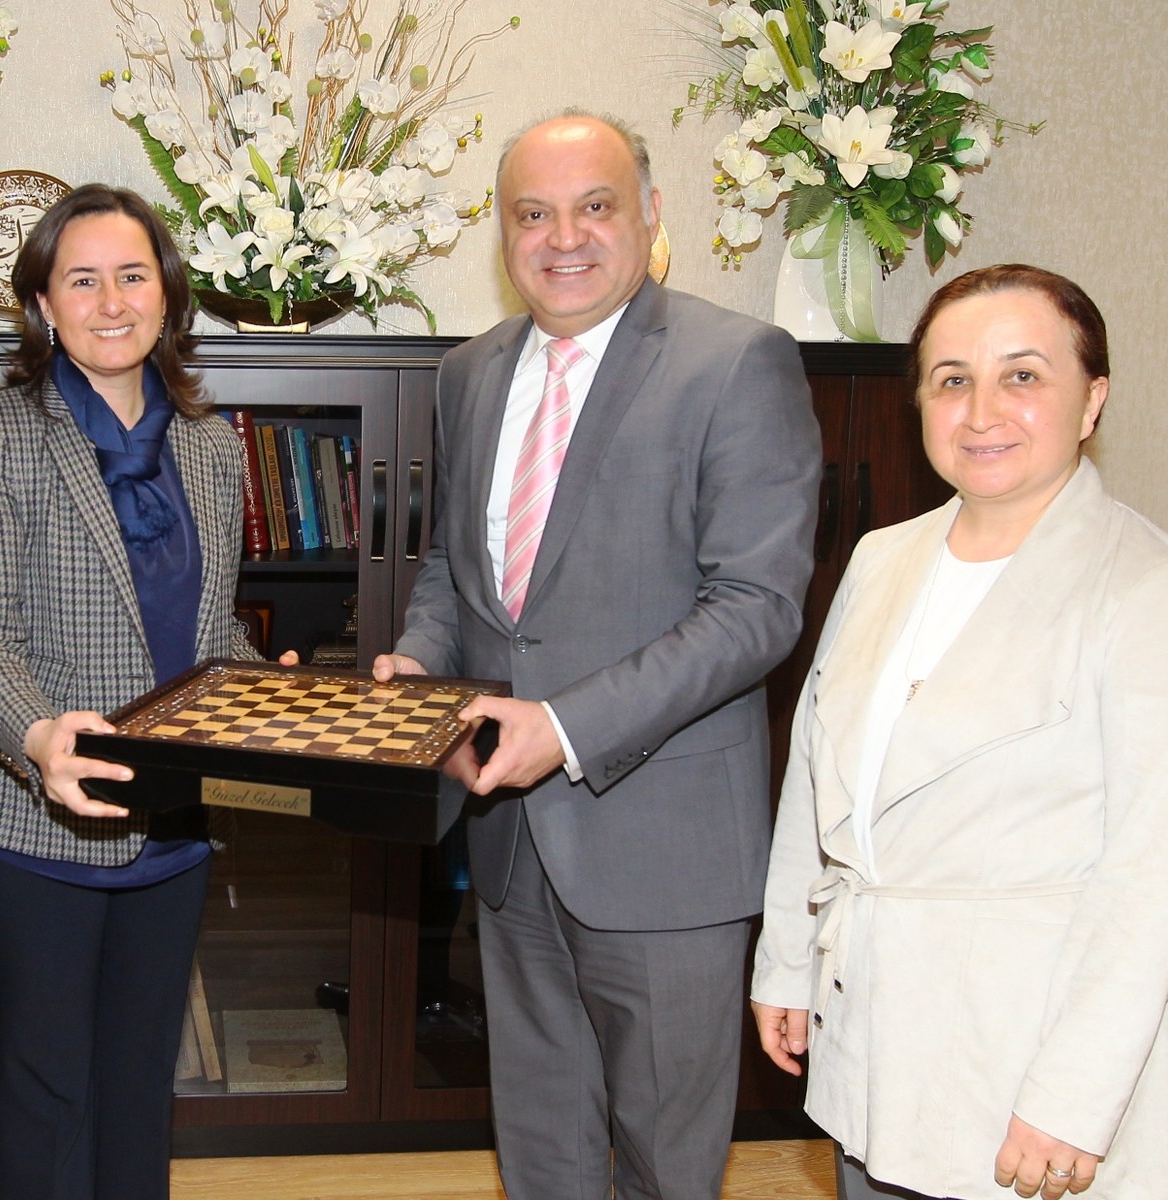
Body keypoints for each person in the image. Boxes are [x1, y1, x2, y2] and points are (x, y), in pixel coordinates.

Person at [378, 110, 822, 1200]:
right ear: (502, 231)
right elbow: (453, 572)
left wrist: (566, 728)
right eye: (532, 213)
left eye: (594, 206)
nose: (562, 237)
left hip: (662, 848)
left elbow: (756, 607)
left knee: (667, 1163)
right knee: (543, 1151)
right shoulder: (468, 373)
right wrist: (418, 667)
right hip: (508, 841)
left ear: (651, 214)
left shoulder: (737, 362)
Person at [752, 264, 1168, 1200]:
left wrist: (1072, 1099)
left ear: (1091, 399)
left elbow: (1149, 880)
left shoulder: (1141, 587)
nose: (980, 411)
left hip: (1025, 1071)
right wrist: (785, 960)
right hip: (873, 1040)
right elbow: (815, 779)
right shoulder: (881, 557)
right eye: (951, 379)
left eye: (1021, 375)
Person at [0, 183, 263, 1200]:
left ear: (166, 295)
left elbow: (211, 635)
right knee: (48, 1093)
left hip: (173, 825)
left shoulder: (211, 446)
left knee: (139, 1085)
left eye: (132, 276)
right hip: (35, 825)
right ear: (42, 303)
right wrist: (40, 738)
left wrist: (272, 698)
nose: (111, 302)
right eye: (82, 280)